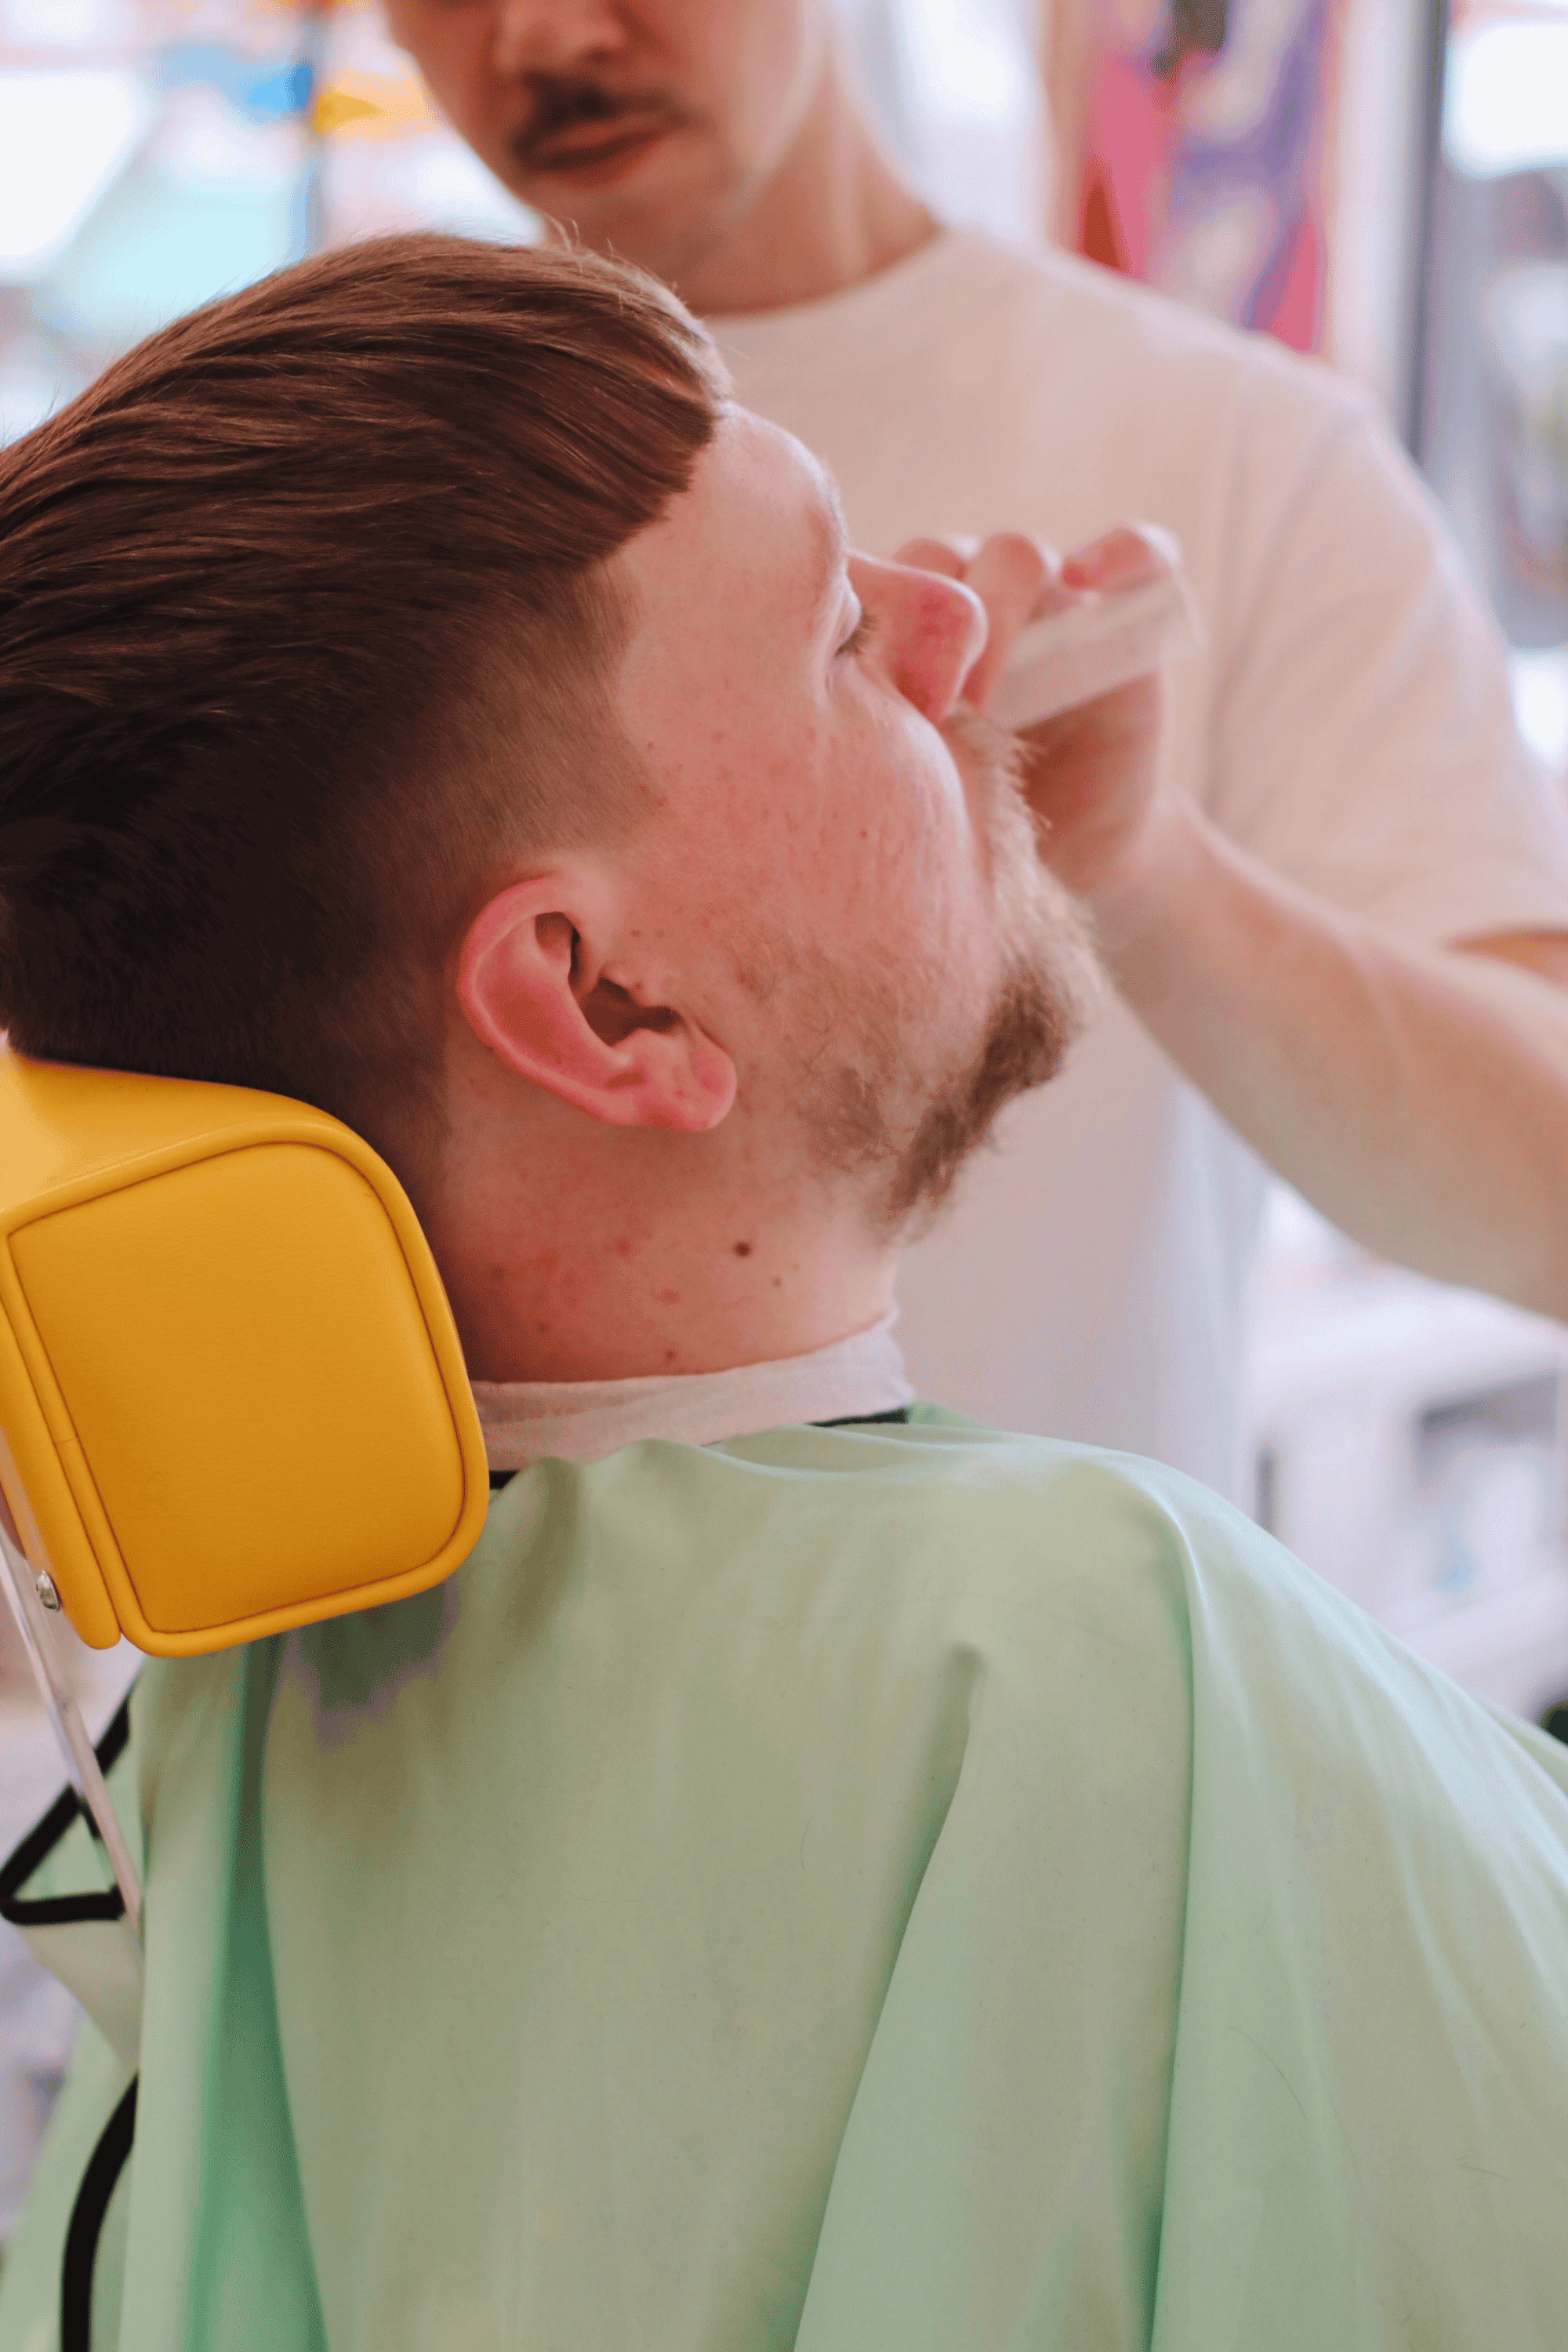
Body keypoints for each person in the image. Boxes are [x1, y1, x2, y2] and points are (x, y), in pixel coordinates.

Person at [2, 234, 1568, 2352]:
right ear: (606, 998)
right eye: (838, 625)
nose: (948, 624)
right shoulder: (1104, 1658)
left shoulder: (234, 1718)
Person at [384, 0, 1568, 1497]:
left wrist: (1138, 869)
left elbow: (1549, 1201)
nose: (543, 33)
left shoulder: (1255, 461)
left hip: (1046, 1700)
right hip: (440, 1685)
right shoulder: (330, 495)